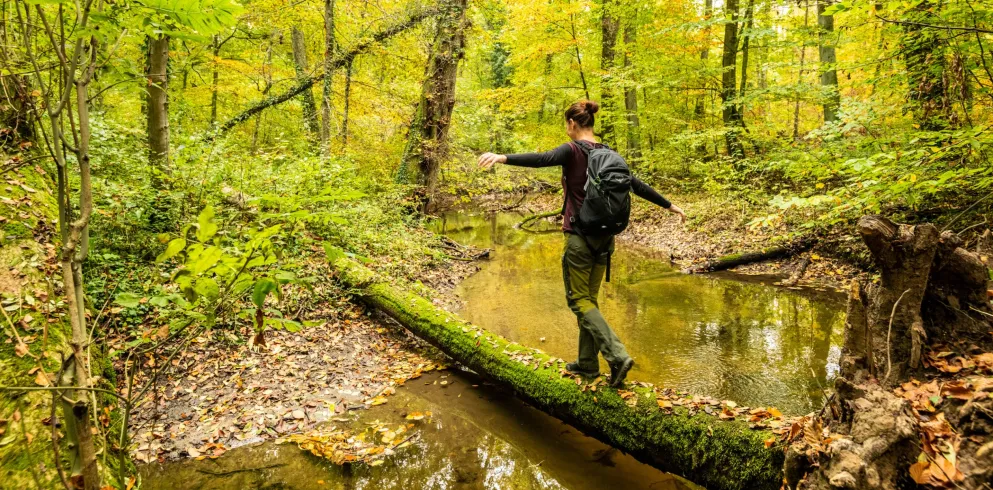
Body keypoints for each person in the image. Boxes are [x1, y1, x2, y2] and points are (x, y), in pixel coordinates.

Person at [477, 99, 686, 388]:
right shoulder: (609, 153)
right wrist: (669, 205)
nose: (566, 128)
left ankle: (617, 355)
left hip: (578, 238)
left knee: (578, 300)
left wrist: (503, 157)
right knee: (589, 300)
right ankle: (587, 365)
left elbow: (541, 159)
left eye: (566, 124)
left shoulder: (572, 150)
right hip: (605, 241)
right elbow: (635, 184)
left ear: (573, 124)